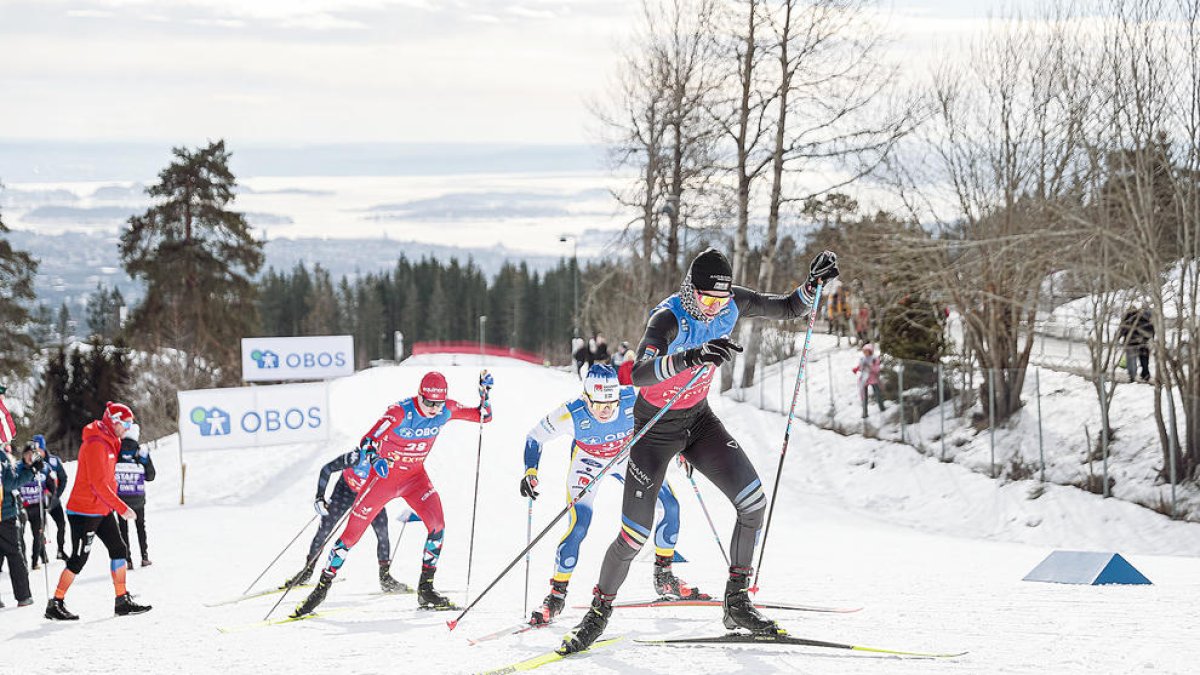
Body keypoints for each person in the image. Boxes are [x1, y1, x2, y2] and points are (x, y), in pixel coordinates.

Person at [558, 247, 839, 654]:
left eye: (721, 300)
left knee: (753, 504)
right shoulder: (668, 317)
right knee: (634, 536)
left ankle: (737, 604)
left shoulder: (730, 302)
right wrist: (691, 356)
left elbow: (788, 307)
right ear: (691, 291)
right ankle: (597, 614)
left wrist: (812, 286)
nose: (714, 308)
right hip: (655, 430)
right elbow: (640, 374)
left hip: (699, 422)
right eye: (707, 300)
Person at [292, 370, 494, 617]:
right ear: (419, 395)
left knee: (437, 526)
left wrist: (485, 395)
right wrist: (375, 459)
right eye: (428, 402)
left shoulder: (446, 409)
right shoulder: (399, 412)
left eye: (438, 403)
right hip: (383, 480)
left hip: (415, 479)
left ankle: (426, 589)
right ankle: (321, 589)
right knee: (350, 536)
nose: (433, 409)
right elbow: (367, 440)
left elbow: (483, 416)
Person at [522, 365, 708, 627]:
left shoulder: (632, 397)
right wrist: (530, 471)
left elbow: (666, 419)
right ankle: (555, 597)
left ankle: (664, 577)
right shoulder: (571, 412)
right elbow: (534, 437)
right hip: (587, 464)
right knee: (579, 526)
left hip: (625, 458)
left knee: (670, 505)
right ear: (586, 398)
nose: (606, 410)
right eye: (599, 404)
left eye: (611, 403)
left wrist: (682, 450)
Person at [45, 401, 151, 620]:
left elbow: (108, 479)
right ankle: (55, 603)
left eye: (130, 425)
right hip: (83, 511)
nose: (127, 429)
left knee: (119, 549)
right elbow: (98, 484)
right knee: (78, 559)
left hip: (101, 509)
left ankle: (121, 600)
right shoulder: (96, 444)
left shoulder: (111, 441)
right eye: (125, 424)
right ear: (114, 421)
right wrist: (122, 508)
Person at [280, 443, 407, 594]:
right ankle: (307, 571)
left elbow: (405, 484)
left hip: (370, 496)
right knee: (324, 530)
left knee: (382, 533)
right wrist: (320, 497)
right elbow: (327, 469)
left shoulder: (393, 462)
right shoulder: (356, 457)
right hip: (345, 492)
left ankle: (385, 578)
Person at [1, 446, 38, 608]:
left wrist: (25, 465)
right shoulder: (1, 457)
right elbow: (10, 483)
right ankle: (23, 596)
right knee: (14, 554)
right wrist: (30, 471)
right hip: (4, 514)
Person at [115, 423, 155, 568]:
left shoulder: (116, 450)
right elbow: (151, 476)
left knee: (123, 528)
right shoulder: (140, 452)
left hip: (120, 498)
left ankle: (127, 560)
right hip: (137, 496)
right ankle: (144, 557)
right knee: (140, 526)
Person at [32, 434, 69, 560]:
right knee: (39, 528)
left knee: (61, 524)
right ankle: (42, 553)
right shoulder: (31, 462)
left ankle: (60, 550)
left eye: (39, 449)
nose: (38, 452)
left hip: (53, 500)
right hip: (38, 501)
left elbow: (63, 478)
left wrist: (57, 495)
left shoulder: (53, 461)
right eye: (35, 450)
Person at [17, 441, 50, 569]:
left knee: (38, 535)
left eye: (33, 454)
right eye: (28, 454)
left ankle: (35, 561)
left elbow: (51, 484)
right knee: (20, 535)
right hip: (23, 507)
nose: (30, 457)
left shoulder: (43, 467)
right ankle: (23, 562)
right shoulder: (18, 468)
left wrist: (49, 496)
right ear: (24, 455)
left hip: (37, 506)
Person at [1116, 304, 1154, 383]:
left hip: (1131, 342)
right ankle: (1145, 375)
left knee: (1131, 360)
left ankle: (1133, 376)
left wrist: (1118, 338)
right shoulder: (1143, 317)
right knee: (1144, 360)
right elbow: (1151, 330)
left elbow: (1122, 329)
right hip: (1143, 342)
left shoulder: (1128, 318)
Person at [853, 344, 886, 418]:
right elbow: (860, 368)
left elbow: (877, 369)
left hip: (873, 378)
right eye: (864, 351)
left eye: (867, 351)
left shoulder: (874, 359)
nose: (865, 353)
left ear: (870, 351)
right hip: (864, 379)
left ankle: (882, 407)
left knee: (877, 394)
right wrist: (858, 368)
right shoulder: (862, 359)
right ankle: (865, 412)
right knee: (864, 396)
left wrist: (870, 367)